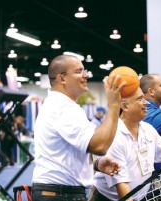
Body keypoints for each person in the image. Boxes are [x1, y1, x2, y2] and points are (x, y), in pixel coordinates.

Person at [31, 55, 125, 201]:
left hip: (59, 193)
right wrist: (113, 105)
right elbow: (100, 146)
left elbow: (64, 154)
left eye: (84, 70)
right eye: (79, 71)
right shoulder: (62, 108)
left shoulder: (63, 106)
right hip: (60, 195)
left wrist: (96, 165)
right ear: (62, 78)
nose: (86, 75)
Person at [90, 87, 161, 201]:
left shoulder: (148, 130)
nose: (146, 103)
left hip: (137, 196)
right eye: (140, 99)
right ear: (124, 106)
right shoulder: (115, 136)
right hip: (107, 198)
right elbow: (124, 193)